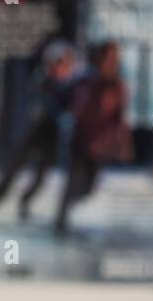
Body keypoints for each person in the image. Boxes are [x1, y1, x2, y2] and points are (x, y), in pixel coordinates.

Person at [0, 39, 78, 224]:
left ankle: (25, 202)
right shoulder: (41, 83)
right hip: (31, 136)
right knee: (11, 173)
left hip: (50, 140)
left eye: (66, 64)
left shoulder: (71, 87)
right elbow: (42, 106)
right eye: (60, 63)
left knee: (40, 178)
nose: (63, 68)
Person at [54, 41, 132, 237]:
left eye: (114, 59)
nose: (110, 63)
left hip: (99, 147)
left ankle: (68, 206)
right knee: (73, 182)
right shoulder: (85, 81)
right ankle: (60, 223)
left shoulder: (119, 87)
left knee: (88, 188)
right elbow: (68, 102)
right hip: (79, 142)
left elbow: (119, 118)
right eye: (107, 58)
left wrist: (123, 143)